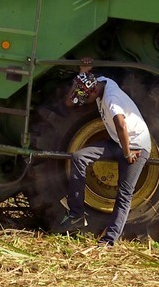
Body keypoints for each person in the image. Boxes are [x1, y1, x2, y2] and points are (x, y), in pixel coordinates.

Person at [60, 70, 151, 247]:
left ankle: (109, 240)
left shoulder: (111, 100)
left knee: (124, 194)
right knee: (79, 157)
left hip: (136, 146)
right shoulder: (100, 81)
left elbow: (121, 125)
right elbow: (69, 102)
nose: (85, 103)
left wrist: (127, 154)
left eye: (86, 99)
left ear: (94, 92)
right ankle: (76, 214)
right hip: (117, 142)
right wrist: (82, 72)